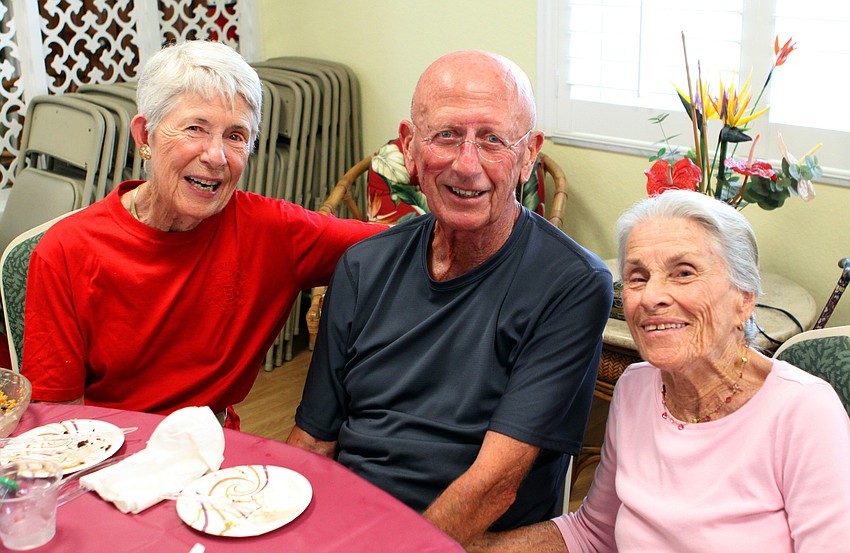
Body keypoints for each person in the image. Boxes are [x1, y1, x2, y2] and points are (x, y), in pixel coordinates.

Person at [286, 50, 613, 546]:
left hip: (462, 538)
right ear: (409, 146)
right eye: (446, 135)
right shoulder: (362, 267)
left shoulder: (571, 285)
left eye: (493, 140)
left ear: (528, 155)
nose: (467, 165)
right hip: (346, 525)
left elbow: (494, 487)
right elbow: (312, 440)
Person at [22, 40, 382, 429]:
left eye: (235, 136)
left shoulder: (274, 232)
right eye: (196, 128)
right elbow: (59, 424)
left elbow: (405, 247)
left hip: (214, 454)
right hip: (108, 454)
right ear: (145, 136)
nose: (216, 156)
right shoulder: (66, 251)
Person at [471, 189, 850, 552]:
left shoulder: (803, 411)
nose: (652, 297)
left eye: (684, 273)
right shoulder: (635, 388)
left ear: (744, 299)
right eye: (638, 277)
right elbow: (594, 532)